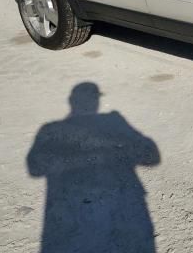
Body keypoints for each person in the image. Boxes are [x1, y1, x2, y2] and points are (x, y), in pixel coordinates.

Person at [27, 82, 160, 253]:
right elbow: (34, 167)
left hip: (75, 210)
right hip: (88, 209)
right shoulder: (51, 129)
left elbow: (35, 169)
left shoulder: (50, 129)